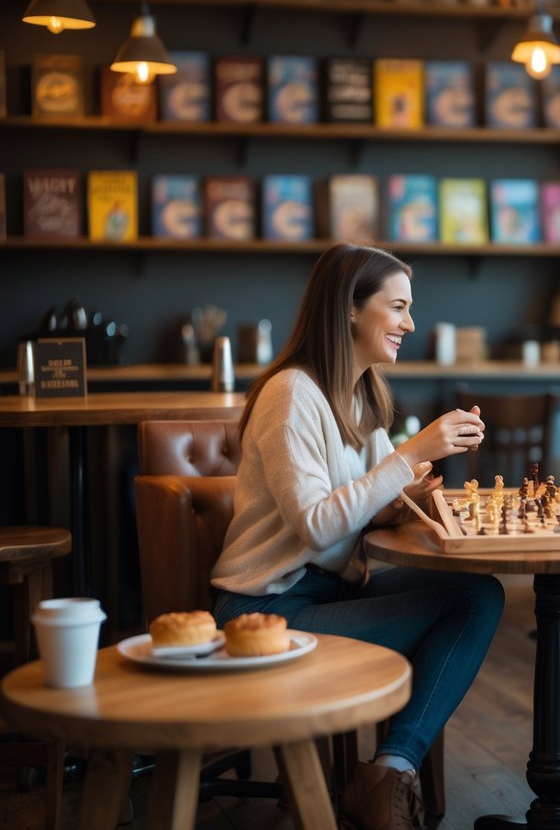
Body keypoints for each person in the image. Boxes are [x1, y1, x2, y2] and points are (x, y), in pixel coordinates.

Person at [211, 242, 505, 830]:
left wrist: (406, 498)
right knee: (472, 599)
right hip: (264, 613)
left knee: (480, 593)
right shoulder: (291, 393)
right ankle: (388, 781)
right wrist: (411, 453)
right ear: (350, 307)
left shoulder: (363, 392)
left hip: (333, 594)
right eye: (397, 307)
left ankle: (390, 768)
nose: (410, 323)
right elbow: (318, 524)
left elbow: (362, 511)